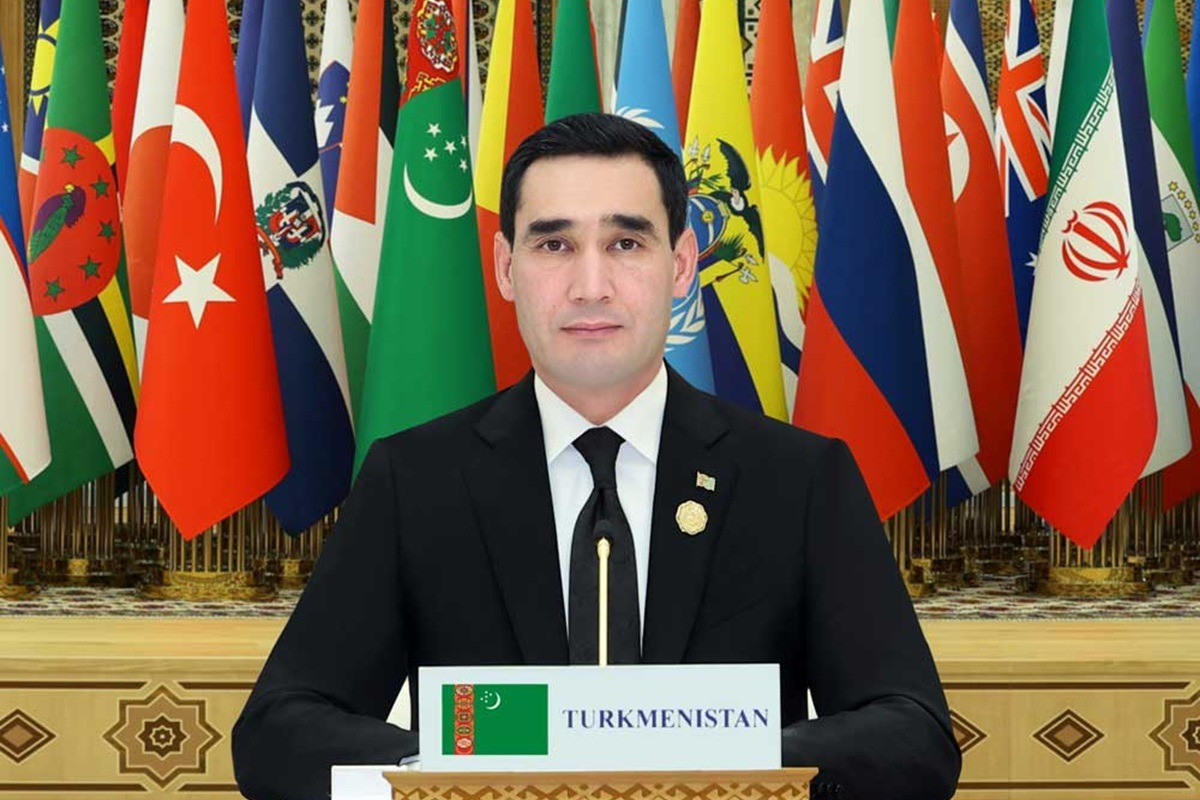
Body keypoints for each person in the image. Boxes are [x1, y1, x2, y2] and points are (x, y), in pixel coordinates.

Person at [232, 113, 960, 800]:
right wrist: (457, 772)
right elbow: (277, 732)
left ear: (682, 264)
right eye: (554, 245)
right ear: (506, 267)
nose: (590, 286)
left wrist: (729, 763)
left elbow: (914, 736)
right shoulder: (416, 480)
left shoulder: (799, 480)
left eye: (626, 244)